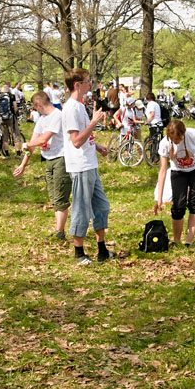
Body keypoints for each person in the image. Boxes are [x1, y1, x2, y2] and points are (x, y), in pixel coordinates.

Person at [61, 68, 120, 264]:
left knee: (101, 206)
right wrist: (93, 122)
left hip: (90, 164)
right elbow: (76, 141)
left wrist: (97, 146)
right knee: (81, 209)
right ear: (77, 85)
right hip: (80, 166)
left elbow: (84, 137)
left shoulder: (79, 106)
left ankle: (102, 250)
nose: (90, 85)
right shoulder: (71, 108)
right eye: (87, 82)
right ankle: (79, 253)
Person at [14, 91, 70, 241]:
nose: (35, 110)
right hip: (48, 160)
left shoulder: (57, 116)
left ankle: (59, 233)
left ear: (39, 105)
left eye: (35, 107)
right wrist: (23, 164)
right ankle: (59, 231)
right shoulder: (42, 119)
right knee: (54, 196)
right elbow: (33, 144)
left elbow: (43, 139)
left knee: (60, 197)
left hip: (61, 159)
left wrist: (28, 144)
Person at [153, 120, 195, 247]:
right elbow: (162, 170)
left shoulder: (193, 135)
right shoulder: (164, 143)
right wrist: (159, 198)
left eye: (178, 139)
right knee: (178, 205)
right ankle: (177, 240)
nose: (176, 142)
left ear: (183, 134)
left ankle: (188, 242)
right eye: (173, 139)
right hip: (178, 172)